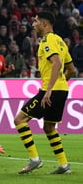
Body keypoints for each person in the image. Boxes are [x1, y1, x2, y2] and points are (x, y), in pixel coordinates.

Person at [14, 11, 76, 174]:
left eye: (35, 21)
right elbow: (71, 69)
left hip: (51, 90)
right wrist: (61, 84)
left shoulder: (48, 40)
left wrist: (49, 90)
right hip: (61, 90)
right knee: (49, 127)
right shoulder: (60, 41)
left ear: (45, 24)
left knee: (20, 119)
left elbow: (56, 64)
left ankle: (34, 159)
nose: (33, 24)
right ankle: (64, 165)